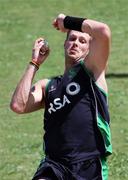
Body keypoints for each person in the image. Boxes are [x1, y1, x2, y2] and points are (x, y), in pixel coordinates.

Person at [10, 13, 112, 180]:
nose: (76, 43)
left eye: (82, 41)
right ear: (65, 44)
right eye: (72, 39)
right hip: (54, 165)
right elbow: (18, 105)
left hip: (88, 164)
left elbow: (103, 31)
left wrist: (66, 21)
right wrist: (34, 63)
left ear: (89, 49)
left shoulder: (92, 72)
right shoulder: (48, 85)